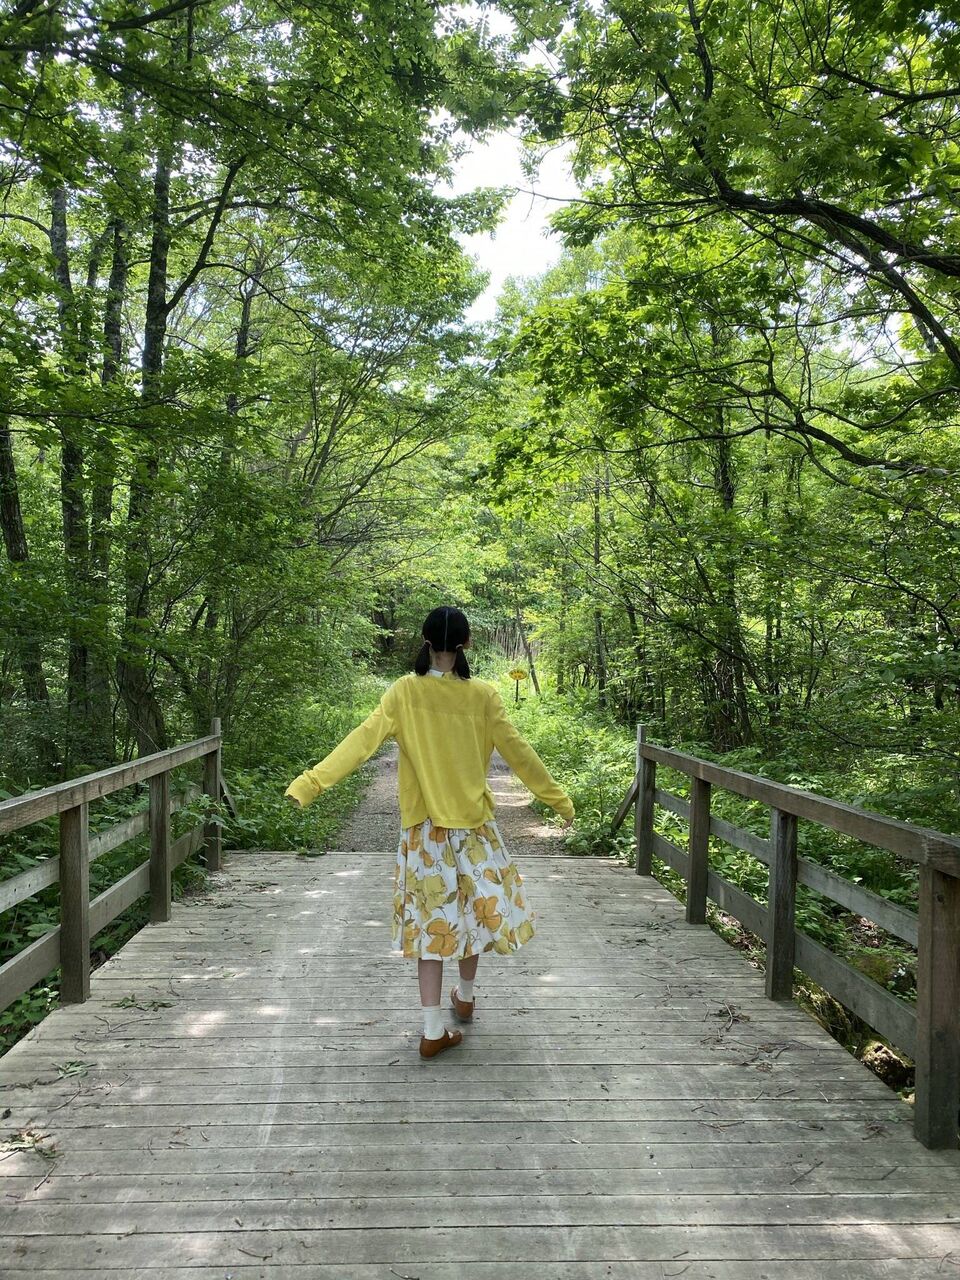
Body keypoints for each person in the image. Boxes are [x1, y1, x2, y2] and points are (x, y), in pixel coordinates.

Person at [284, 605, 575, 1058]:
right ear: (466, 643)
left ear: (425, 641)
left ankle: (433, 1028)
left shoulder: (404, 692)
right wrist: (558, 799)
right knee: (474, 916)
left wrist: (310, 783)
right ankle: (466, 996)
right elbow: (520, 753)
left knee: (431, 928)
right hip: (475, 832)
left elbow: (361, 741)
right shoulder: (484, 696)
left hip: (425, 836)